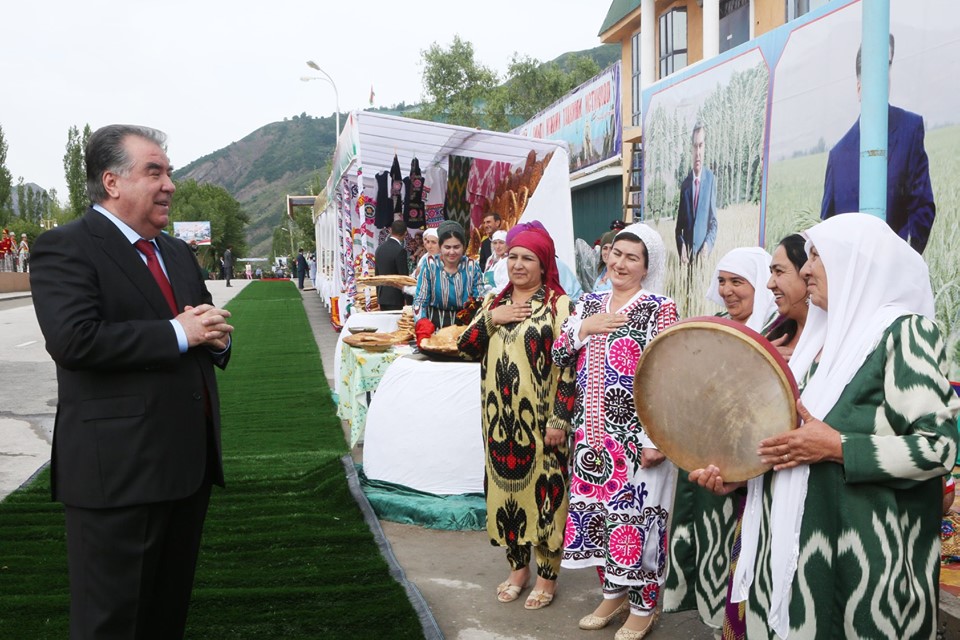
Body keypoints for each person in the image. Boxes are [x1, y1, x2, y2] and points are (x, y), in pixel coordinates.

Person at [691, 213, 959, 639]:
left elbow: (939, 449)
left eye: (817, 257)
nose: (806, 270)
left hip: (863, 566)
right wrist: (742, 477)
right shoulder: (818, 340)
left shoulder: (905, 334)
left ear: (855, 264)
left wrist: (839, 447)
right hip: (788, 559)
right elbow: (794, 443)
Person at [29, 124, 234, 639]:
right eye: (154, 172)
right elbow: (74, 341)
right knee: (111, 623)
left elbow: (201, 325)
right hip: (118, 474)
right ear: (112, 182)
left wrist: (215, 339)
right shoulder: (66, 247)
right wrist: (180, 333)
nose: (170, 185)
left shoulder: (177, 252)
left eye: (169, 172)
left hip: (186, 467)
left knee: (165, 617)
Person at [552, 223, 679, 640]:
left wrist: (656, 438)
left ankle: (644, 606)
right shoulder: (589, 303)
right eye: (616, 254)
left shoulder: (659, 308)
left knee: (640, 524)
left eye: (632, 258)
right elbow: (559, 354)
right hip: (591, 439)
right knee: (602, 522)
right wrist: (584, 328)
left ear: (647, 266)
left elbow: (669, 374)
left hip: (637, 442)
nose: (620, 263)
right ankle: (613, 594)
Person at [457, 220, 574, 611]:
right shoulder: (495, 302)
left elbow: (569, 367)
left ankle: (547, 576)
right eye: (512, 256)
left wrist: (560, 419)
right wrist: (495, 318)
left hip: (542, 425)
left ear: (543, 263)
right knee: (507, 497)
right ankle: (518, 570)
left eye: (528, 258)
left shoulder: (559, 306)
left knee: (547, 500)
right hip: (498, 424)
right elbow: (465, 347)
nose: (518, 265)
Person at [664, 245, 777, 633]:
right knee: (710, 537)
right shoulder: (712, 327)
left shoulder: (776, 332)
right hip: (706, 452)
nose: (727, 290)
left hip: (753, 461)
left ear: (760, 284)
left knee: (744, 544)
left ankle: (744, 623)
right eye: (723, 281)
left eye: (738, 282)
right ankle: (717, 617)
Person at [820, 35, 935, 254]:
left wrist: (904, 258)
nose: (883, 77)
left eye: (887, 67)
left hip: (895, 267)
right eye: (875, 68)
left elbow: (923, 207)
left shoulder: (910, 129)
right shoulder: (838, 156)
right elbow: (828, 226)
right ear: (859, 87)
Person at [413, 220, 482, 328]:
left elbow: (479, 297)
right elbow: (420, 300)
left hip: (465, 324)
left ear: (463, 247)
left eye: (456, 247)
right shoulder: (430, 265)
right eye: (447, 247)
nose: (452, 252)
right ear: (440, 247)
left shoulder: (472, 266)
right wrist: (421, 322)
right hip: (434, 324)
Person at [705, 247, 778, 332]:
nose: (726, 292)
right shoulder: (714, 324)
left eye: (736, 282)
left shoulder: (781, 327)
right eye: (721, 281)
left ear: (760, 285)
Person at [675, 123, 718, 264]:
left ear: (705, 147)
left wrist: (707, 245)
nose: (697, 152)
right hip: (687, 264)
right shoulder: (685, 185)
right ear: (691, 149)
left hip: (703, 263)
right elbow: (678, 229)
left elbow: (713, 223)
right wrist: (681, 245)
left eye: (700, 145)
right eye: (695, 146)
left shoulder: (710, 180)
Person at [764, 234, 810, 361]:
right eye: (771, 272)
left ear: (807, 273)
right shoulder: (774, 334)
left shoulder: (833, 340)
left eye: (779, 271)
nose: (769, 284)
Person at [374, 221, 410, 311]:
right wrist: (408, 300)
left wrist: (378, 297)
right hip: (396, 297)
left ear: (390, 230)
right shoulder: (400, 251)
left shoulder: (379, 249)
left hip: (382, 297)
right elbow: (403, 277)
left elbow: (377, 275)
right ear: (405, 233)